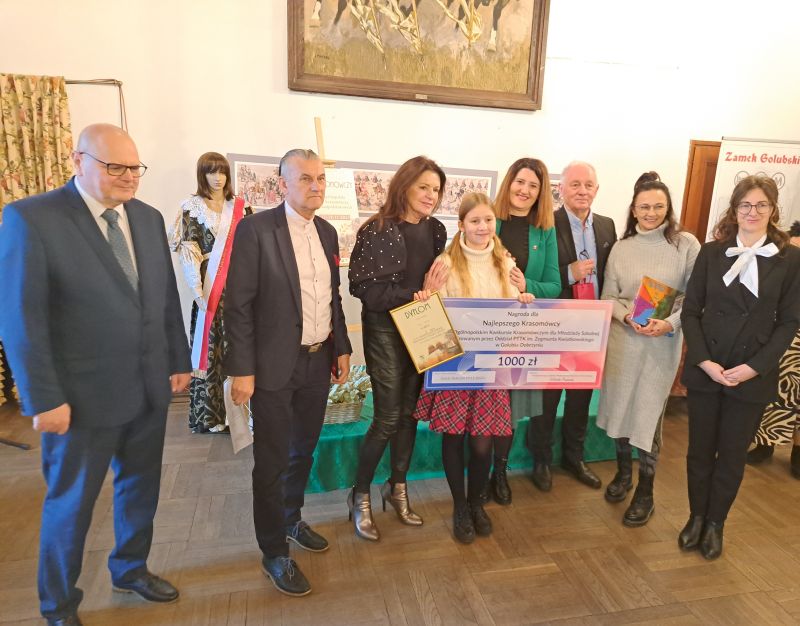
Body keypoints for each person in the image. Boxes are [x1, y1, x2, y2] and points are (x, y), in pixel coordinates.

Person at [0, 123, 191, 626]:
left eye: (135, 167)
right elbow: (21, 319)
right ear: (77, 160)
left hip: (148, 388)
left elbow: (163, 297)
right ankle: (58, 605)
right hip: (78, 401)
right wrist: (42, 398)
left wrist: (177, 358)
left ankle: (130, 568)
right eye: (115, 167)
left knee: (140, 489)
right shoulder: (32, 218)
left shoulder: (147, 218)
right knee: (72, 505)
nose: (129, 177)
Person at [225, 149, 351, 596]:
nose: (315, 186)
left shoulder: (328, 232)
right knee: (272, 460)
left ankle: (291, 518)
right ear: (282, 184)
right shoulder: (257, 230)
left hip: (318, 361)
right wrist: (242, 370)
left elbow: (332, 298)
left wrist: (342, 346)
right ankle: (273, 550)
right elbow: (238, 305)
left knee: (303, 450)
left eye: (320, 179)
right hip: (273, 365)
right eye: (305, 179)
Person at [679, 176, 800, 560]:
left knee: (731, 456)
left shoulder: (790, 259)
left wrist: (755, 367)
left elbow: (790, 322)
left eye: (761, 204)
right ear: (734, 209)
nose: (752, 212)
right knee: (699, 452)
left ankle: (716, 523)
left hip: (750, 375)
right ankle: (696, 517)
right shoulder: (712, 252)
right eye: (745, 205)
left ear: (773, 209)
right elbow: (691, 311)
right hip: (708, 369)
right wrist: (704, 361)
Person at [414, 193, 534, 543]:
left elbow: (514, 310)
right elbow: (432, 314)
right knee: (454, 438)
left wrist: (524, 297)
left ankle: (476, 501)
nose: (483, 227)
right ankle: (460, 507)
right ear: (461, 225)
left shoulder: (506, 262)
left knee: (483, 444)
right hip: (456, 366)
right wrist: (426, 298)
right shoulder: (445, 262)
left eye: (488, 220)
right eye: (475, 221)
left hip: (492, 368)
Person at [347, 155, 448, 541]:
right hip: (385, 331)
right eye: (423, 187)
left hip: (422, 327)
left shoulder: (436, 230)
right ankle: (359, 495)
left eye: (436, 189)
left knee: (409, 416)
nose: (430, 195)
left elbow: (436, 282)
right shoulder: (376, 229)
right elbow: (368, 293)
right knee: (387, 417)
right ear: (404, 185)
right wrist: (418, 293)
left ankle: (397, 487)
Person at [596, 172, 700, 526]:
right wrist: (626, 317)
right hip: (623, 342)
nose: (651, 213)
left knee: (648, 416)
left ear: (668, 208)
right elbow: (608, 296)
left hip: (659, 347)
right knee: (621, 409)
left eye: (658, 206)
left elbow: (696, 298)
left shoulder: (685, 245)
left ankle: (646, 490)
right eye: (644, 207)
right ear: (634, 209)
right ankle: (623, 473)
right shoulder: (621, 248)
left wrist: (670, 324)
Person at [529, 161, 617, 492]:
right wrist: (569, 273)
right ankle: (541, 459)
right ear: (561, 189)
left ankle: (574, 457)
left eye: (588, 185)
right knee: (547, 399)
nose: (582, 191)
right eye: (575, 184)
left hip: (591, 327)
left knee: (580, 398)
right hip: (554, 324)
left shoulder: (607, 226)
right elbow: (537, 274)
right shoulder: (545, 223)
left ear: (597, 189)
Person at [489, 157, 561, 504]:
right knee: (486, 403)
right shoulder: (490, 219)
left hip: (521, 333)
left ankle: (499, 472)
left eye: (533, 185)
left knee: (509, 406)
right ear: (509, 183)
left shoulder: (544, 230)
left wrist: (526, 284)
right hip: (486, 329)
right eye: (520, 182)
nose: (525, 190)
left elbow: (554, 286)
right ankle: (480, 470)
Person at [169, 152, 252, 433]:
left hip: (240, 286)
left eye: (222, 172)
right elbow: (188, 250)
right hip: (209, 288)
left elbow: (252, 247)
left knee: (239, 346)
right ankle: (212, 416)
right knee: (212, 348)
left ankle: (243, 413)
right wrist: (197, 289)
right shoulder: (191, 208)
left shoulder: (241, 207)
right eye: (211, 172)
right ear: (201, 175)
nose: (218, 178)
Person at [746, 220, 800, 478]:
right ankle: (765, 442)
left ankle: (798, 451)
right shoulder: (783, 251)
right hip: (783, 334)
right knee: (779, 391)